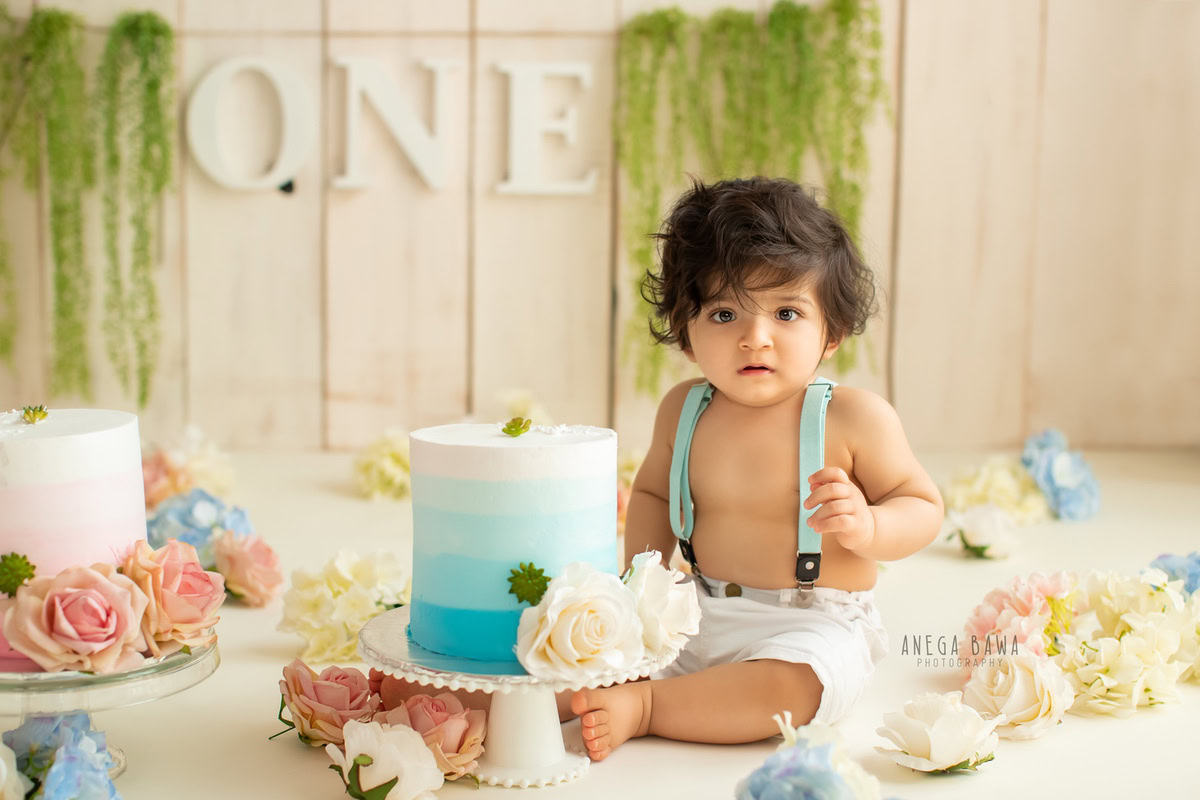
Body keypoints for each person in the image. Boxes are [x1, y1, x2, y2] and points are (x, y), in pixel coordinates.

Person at [569, 176, 944, 761]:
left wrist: (870, 526)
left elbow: (921, 505)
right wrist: (643, 579)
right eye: (723, 314)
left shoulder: (851, 417)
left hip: (811, 623)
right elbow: (649, 494)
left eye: (786, 312)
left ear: (833, 332)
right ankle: (524, 696)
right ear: (686, 334)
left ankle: (647, 706)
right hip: (696, 608)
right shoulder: (684, 409)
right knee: (578, 651)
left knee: (791, 688)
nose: (754, 338)